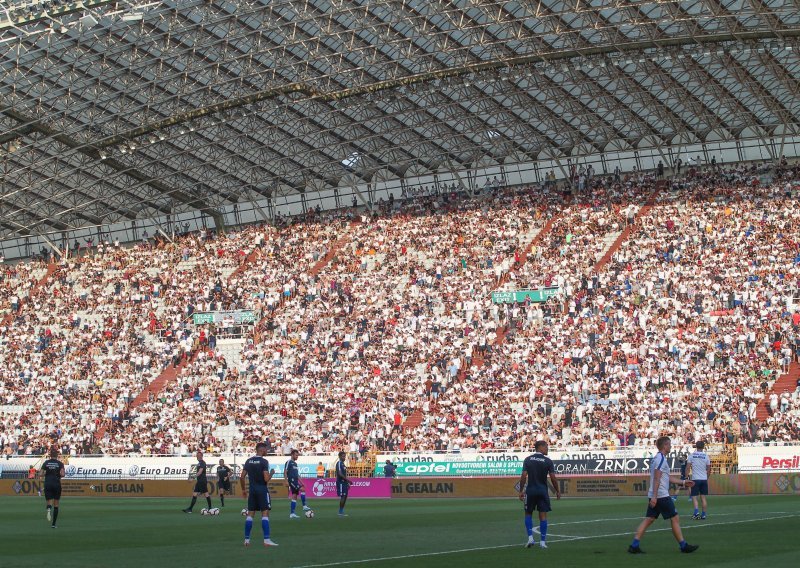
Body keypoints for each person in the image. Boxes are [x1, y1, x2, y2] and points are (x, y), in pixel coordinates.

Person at [628, 436, 699, 554]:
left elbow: (666, 477)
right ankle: (683, 546)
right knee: (675, 518)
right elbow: (657, 478)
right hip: (661, 495)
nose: (671, 446)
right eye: (669, 444)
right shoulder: (660, 459)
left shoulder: (658, 458)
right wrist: (655, 497)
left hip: (656, 494)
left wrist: (683, 482)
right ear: (665, 446)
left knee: (649, 519)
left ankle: (634, 545)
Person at [518, 440, 560, 549]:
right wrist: (557, 490)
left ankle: (530, 538)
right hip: (542, 491)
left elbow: (523, 476)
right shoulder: (548, 461)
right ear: (540, 447)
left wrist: (521, 490)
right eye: (546, 447)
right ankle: (542, 542)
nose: (547, 449)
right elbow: (553, 477)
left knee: (528, 514)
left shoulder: (528, 459)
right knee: (543, 516)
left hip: (530, 490)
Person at [240, 442, 278, 547]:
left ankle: (247, 540)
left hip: (252, 491)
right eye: (266, 449)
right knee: (265, 513)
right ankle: (266, 540)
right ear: (261, 450)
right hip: (262, 490)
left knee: (250, 514)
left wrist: (243, 490)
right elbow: (266, 479)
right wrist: (271, 473)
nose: (267, 451)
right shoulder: (264, 461)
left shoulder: (248, 461)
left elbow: (242, 477)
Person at [40, 447, 65, 528]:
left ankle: (48, 508)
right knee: (56, 504)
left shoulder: (46, 463)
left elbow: (40, 474)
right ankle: (53, 524)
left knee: (49, 500)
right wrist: (57, 473)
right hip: (56, 484)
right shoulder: (60, 463)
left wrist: (46, 473)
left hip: (48, 483)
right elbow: (63, 474)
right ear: (57, 455)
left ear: (50, 456)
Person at [687, 441, 711, 520]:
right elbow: (708, 469)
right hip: (703, 479)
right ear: (703, 447)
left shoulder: (692, 455)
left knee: (694, 497)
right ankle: (703, 515)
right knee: (703, 498)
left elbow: (688, 467)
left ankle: (696, 512)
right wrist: (707, 477)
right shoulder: (706, 456)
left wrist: (686, 476)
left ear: (696, 446)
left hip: (695, 479)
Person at [284, 449, 311, 519]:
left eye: (297, 455)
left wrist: (302, 482)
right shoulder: (289, 462)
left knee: (294, 496)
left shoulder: (295, 464)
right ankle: (304, 506)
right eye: (296, 455)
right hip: (291, 480)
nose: (297, 457)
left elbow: (297, 475)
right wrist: (286, 481)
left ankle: (292, 513)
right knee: (302, 489)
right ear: (292, 455)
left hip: (295, 481)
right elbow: (285, 471)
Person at [335, 451, 351, 517]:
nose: (344, 458)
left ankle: (341, 511)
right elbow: (340, 473)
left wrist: (347, 482)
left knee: (345, 496)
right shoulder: (339, 463)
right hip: (341, 482)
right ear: (339, 456)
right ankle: (340, 512)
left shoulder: (343, 464)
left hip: (344, 482)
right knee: (343, 496)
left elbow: (344, 474)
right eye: (343, 456)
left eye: (344, 456)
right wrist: (348, 480)